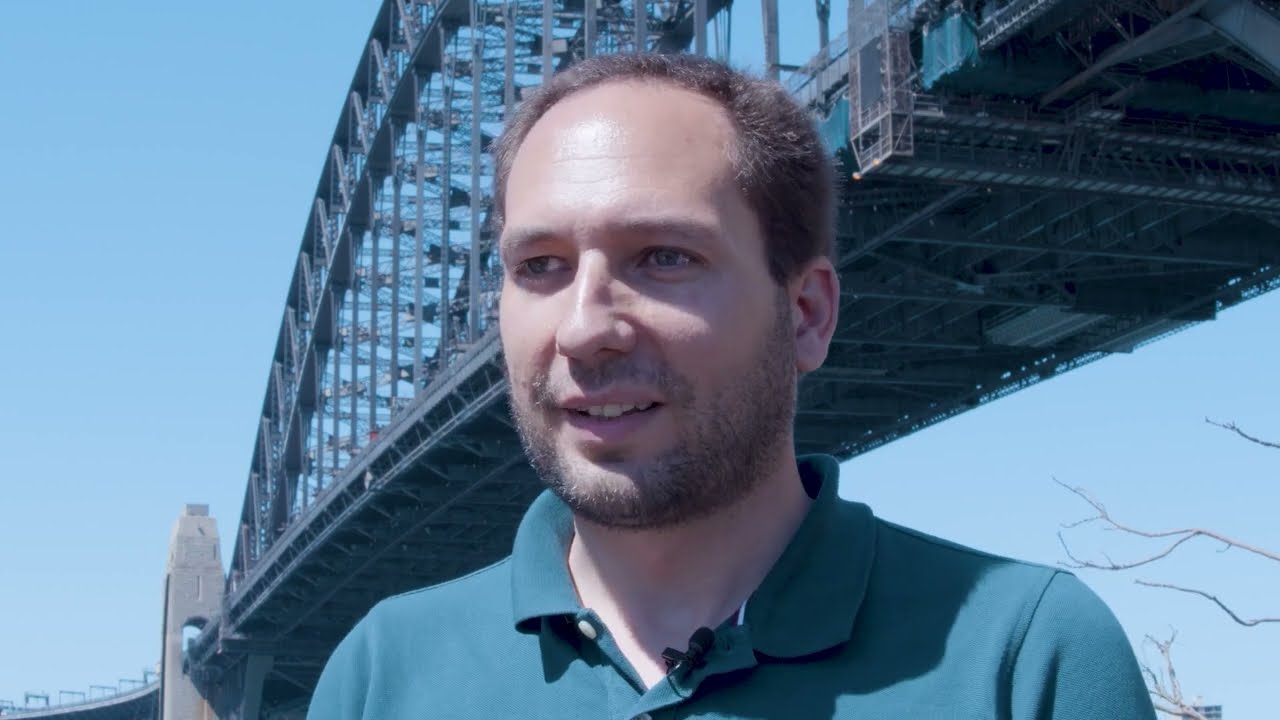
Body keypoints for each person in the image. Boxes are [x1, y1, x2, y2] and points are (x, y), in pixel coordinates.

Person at [307, 53, 1155, 720]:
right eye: (539, 267)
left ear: (809, 313)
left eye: (664, 257)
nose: (581, 326)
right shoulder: (383, 673)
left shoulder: (1026, 657)